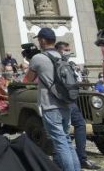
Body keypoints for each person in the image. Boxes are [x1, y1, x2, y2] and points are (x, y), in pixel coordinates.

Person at [25, 28, 81, 171]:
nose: (38, 42)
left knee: (60, 142)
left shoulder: (38, 58)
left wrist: (33, 65)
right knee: (67, 140)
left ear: (43, 40)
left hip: (50, 105)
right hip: (66, 103)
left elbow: (28, 80)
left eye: (39, 40)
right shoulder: (62, 57)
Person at [54, 42, 100, 169]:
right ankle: (78, 158)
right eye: (66, 49)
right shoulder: (58, 63)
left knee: (74, 126)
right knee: (71, 128)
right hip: (64, 100)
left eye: (69, 49)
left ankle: (73, 158)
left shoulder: (68, 63)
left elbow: (78, 80)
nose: (69, 51)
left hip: (69, 99)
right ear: (59, 50)